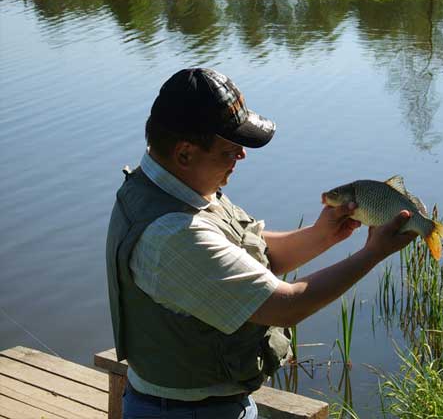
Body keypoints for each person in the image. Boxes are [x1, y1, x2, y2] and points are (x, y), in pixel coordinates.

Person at [106, 68, 416, 419]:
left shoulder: (167, 187)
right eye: (229, 150)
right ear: (185, 153)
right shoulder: (172, 235)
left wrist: (322, 234)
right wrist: (373, 253)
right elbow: (285, 306)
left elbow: (250, 256)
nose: (241, 156)